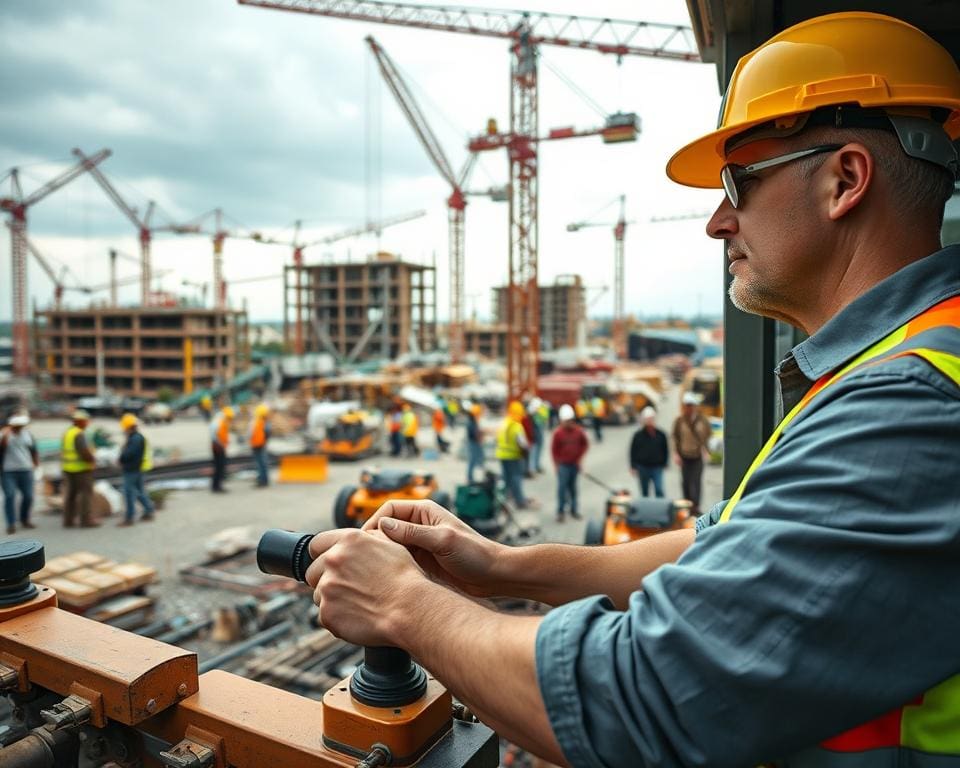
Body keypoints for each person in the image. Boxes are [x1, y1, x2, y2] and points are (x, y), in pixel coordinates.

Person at [300, 13, 960, 766]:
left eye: (739, 181)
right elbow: (726, 543)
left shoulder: (914, 401)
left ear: (844, 180)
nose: (717, 221)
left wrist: (406, 604)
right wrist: (504, 565)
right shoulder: (896, 361)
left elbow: (647, 701)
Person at [671, 391, 711, 514]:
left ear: (695, 406)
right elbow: (675, 437)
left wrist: (706, 449)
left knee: (696, 481)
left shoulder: (702, 420)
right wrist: (676, 454)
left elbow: (708, 434)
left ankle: (696, 506)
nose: (689, 407)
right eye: (687, 405)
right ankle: (687, 505)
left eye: (691, 405)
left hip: (697, 455)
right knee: (686, 482)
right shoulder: (679, 420)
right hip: (684, 456)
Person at [1, 412, 39, 535]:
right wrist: (5, 436)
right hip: (8, 471)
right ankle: (11, 523)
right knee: (10, 496)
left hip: (26, 469)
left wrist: (36, 463)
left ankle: (24, 519)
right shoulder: (5, 435)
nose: (19, 428)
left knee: (28, 496)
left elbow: (33, 449)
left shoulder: (27, 435)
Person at [550, 404, 588, 522]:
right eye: (566, 421)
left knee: (573, 489)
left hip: (574, 465)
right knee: (562, 489)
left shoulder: (579, 431)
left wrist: (580, 459)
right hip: (563, 466)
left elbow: (585, 444)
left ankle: (574, 510)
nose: (568, 423)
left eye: (570, 420)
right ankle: (560, 512)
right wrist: (556, 466)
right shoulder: (558, 433)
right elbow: (554, 451)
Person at [61, 409, 98, 528]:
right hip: (81, 469)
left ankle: (68, 520)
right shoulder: (79, 434)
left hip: (68, 468)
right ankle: (86, 520)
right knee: (85, 494)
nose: (87, 423)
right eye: (86, 421)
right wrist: (93, 460)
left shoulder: (68, 432)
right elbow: (84, 452)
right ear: (80, 421)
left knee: (70, 495)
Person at [117, 413, 154, 527]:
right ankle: (149, 510)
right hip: (137, 468)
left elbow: (128, 454)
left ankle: (129, 518)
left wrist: (121, 458)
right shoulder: (136, 437)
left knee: (128, 493)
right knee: (139, 491)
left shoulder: (135, 438)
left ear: (127, 427)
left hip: (132, 469)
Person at [494, 400, 529, 508]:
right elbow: (523, 444)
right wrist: (525, 456)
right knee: (516, 478)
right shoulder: (517, 426)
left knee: (506, 479)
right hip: (514, 456)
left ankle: (505, 499)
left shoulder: (504, 423)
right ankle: (519, 501)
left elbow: (497, 438)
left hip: (502, 455)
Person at [629, 406, 669, 498]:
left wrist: (665, 462)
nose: (650, 421)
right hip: (643, 467)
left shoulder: (661, 435)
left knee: (659, 490)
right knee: (644, 492)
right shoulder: (638, 435)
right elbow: (633, 451)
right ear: (644, 421)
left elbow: (665, 449)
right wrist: (633, 466)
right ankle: (646, 510)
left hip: (657, 467)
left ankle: (660, 509)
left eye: (652, 419)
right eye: (648, 419)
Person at [210, 405, 234, 493]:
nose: (230, 420)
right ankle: (217, 486)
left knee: (218, 467)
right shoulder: (219, 421)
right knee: (219, 467)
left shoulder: (220, 420)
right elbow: (214, 436)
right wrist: (221, 445)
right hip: (218, 447)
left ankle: (215, 486)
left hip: (218, 446)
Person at [250, 403, 271, 487]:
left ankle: (262, 480)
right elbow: (268, 433)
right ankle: (264, 480)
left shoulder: (256, 422)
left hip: (256, 445)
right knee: (263, 463)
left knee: (260, 463)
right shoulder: (265, 422)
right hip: (261, 444)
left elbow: (251, 433)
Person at [464, 402, 485, 484]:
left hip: (475, 443)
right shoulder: (471, 423)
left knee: (478, 460)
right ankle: (470, 478)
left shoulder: (473, 421)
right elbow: (474, 434)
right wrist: (481, 435)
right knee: (473, 461)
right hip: (473, 444)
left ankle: (474, 477)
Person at [527, 398, 548, 475]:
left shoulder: (538, 414)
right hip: (534, 438)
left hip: (538, 437)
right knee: (533, 452)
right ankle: (532, 469)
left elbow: (543, 421)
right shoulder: (532, 415)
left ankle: (536, 466)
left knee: (537, 452)